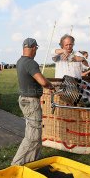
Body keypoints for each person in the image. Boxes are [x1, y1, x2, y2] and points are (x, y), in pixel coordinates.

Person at [11, 38, 54, 166]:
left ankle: (34, 159)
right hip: (32, 102)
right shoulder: (31, 63)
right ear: (34, 48)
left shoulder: (20, 61)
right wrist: (50, 86)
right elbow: (43, 82)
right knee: (33, 135)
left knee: (34, 130)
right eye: (36, 49)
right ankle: (16, 164)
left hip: (24, 99)